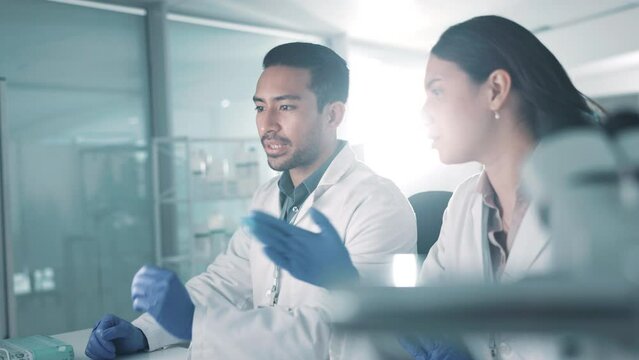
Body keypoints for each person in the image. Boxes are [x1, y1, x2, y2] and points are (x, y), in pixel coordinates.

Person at [246, 16, 598, 359]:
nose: (425, 110)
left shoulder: (604, 204)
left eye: (438, 90)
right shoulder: (464, 206)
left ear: (495, 90)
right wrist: (345, 281)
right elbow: (423, 327)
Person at [84, 42, 416, 360]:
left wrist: (193, 323)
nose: (267, 124)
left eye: (285, 106)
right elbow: (227, 283)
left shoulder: (378, 204)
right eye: (260, 107)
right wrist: (146, 331)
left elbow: (343, 330)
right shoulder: (269, 195)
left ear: (332, 115)